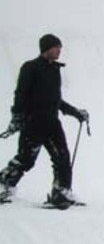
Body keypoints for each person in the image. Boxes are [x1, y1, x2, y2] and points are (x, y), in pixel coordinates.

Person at [0, 34, 89, 207]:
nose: (59, 50)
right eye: (56, 47)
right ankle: (4, 186)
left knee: (62, 157)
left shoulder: (55, 70)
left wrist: (76, 112)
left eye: (60, 47)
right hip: (34, 122)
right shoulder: (30, 68)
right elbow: (21, 94)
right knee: (26, 159)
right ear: (46, 48)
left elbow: (57, 101)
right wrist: (17, 117)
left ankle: (62, 193)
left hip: (52, 122)